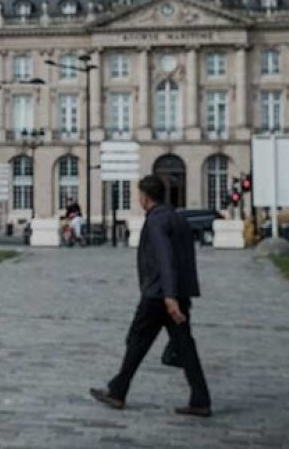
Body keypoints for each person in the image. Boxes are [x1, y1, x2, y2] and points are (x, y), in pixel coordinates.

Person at [90, 174, 211, 417]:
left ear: (145, 197)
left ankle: (117, 392)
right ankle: (200, 399)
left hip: (159, 295)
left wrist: (169, 296)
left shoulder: (156, 221)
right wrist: (179, 293)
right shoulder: (178, 219)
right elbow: (186, 259)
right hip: (177, 293)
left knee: (137, 340)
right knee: (184, 346)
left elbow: (165, 258)